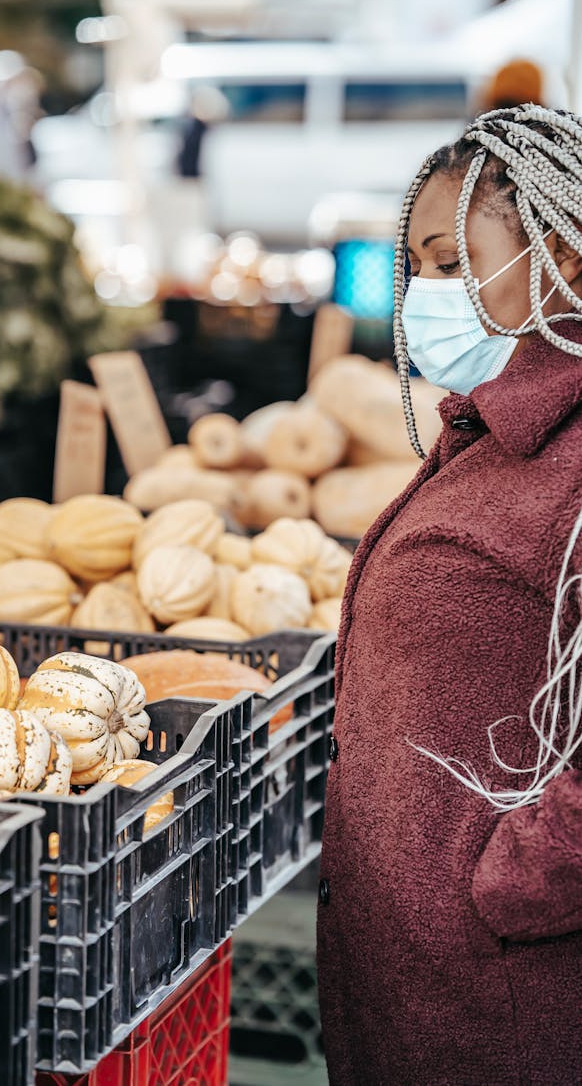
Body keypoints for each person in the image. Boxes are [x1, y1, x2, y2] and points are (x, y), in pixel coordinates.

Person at [317, 104, 582, 1085]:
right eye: (416, 269)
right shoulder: (482, 432)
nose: (423, 293)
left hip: (505, 1013)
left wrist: (506, 886)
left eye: (449, 260)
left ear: (566, 257)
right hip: (412, 987)